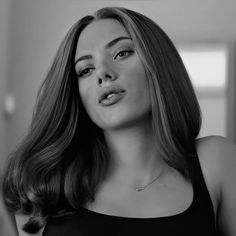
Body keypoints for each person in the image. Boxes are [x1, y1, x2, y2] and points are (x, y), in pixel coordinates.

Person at [2, 6, 236, 236]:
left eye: (121, 53)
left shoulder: (215, 161)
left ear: (158, 63)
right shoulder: (39, 188)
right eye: (86, 70)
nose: (103, 73)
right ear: (77, 94)